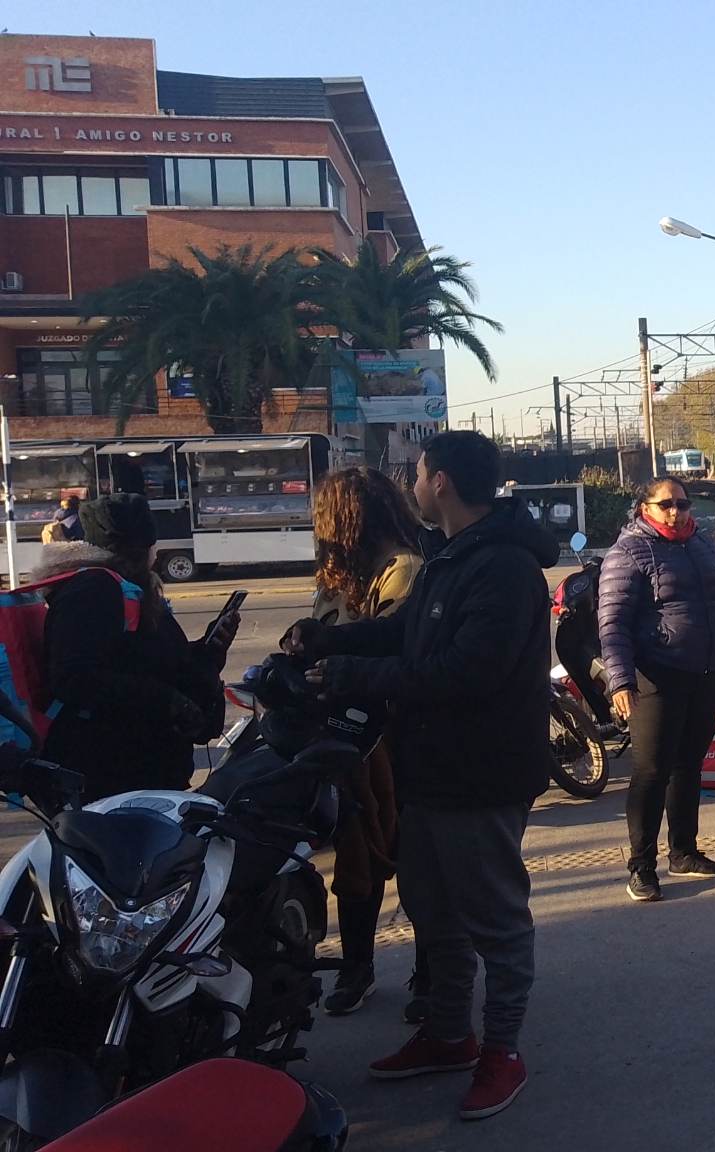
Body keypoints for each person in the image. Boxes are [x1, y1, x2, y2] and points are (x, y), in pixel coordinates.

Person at [287, 430, 554, 1122]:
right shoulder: (449, 556)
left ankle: (502, 1052)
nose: (410, 483)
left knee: (495, 919)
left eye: (418, 472)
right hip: (430, 768)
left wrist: (351, 675)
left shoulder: (501, 566)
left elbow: (464, 671)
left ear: (440, 482)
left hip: (481, 773)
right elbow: (409, 634)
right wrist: (332, 638)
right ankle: (446, 1034)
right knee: (434, 914)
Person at [309, 467, 425, 1017]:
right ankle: (357, 966)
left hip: (396, 739)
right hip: (345, 740)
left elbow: (393, 651)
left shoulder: (402, 571)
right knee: (356, 861)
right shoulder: (336, 577)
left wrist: (332, 661)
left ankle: (430, 975)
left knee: (412, 857)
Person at [600, 476, 715, 903]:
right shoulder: (629, 551)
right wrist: (621, 681)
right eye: (666, 505)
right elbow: (612, 623)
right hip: (657, 675)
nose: (676, 512)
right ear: (645, 507)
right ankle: (642, 866)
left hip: (707, 671)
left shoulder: (703, 543)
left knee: (689, 765)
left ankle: (684, 853)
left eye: (682, 504)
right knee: (651, 772)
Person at [37, 494, 234, 800]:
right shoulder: (94, 589)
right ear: (142, 546)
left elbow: (145, 660)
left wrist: (209, 651)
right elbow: (73, 677)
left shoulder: (129, 588)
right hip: (109, 776)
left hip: (139, 769)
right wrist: (166, 699)